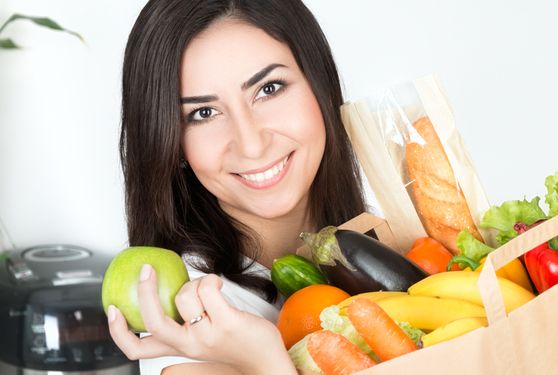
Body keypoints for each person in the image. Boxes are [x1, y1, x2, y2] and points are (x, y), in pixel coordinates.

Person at [107, 0, 367, 373]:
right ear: (170, 142)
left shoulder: (388, 242)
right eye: (203, 113)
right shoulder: (192, 320)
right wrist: (262, 359)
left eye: (269, 88)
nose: (251, 144)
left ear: (321, 86)